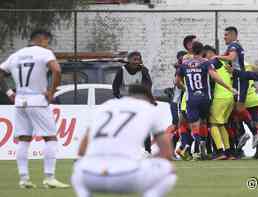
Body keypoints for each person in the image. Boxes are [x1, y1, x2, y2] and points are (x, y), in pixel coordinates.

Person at [71, 84, 176, 197]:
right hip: (126, 176)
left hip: (89, 176)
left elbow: (81, 151)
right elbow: (167, 153)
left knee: (78, 169)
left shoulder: (105, 106)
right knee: (168, 169)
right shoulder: (149, 108)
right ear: (147, 98)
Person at [0, 29, 69, 188]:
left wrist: (9, 92)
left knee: (23, 140)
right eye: (48, 41)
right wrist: (51, 91)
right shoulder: (44, 53)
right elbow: (57, 70)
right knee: (50, 138)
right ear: (43, 39)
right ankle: (49, 177)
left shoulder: (15, 55)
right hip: (38, 100)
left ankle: (24, 179)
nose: (48, 45)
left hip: (20, 101)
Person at [176, 41, 235, 160]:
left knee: (194, 126)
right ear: (202, 51)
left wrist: (186, 88)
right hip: (205, 98)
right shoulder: (206, 63)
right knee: (203, 122)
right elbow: (214, 76)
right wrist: (229, 87)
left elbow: (177, 82)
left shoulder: (184, 64)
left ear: (191, 51)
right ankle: (201, 143)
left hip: (191, 98)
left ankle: (195, 146)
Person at [112, 51, 154, 155]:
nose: (136, 62)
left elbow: (148, 85)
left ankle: (147, 150)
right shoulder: (121, 70)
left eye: (138, 59)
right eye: (134, 59)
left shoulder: (143, 71)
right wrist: (118, 98)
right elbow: (115, 86)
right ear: (129, 60)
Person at [217, 26, 251, 152]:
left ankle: (256, 131)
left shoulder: (233, 46)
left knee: (239, 107)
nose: (224, 37)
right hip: (237, 79)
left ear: (233, 35)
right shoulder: (234, 46)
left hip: (239, 79)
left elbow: (230, 58)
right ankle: (243, 133)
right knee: (235, 109)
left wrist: (216, 57)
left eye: (226, 35)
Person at [203, 45, 235, 160]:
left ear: (210, 53)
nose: (204, 58)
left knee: (212, 124)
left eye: (205, 55)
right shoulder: (224, 64)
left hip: (220, 97)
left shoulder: (214, 61)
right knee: (221, 125)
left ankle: (220, 152)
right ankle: (228, 152)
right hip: (230, 97)